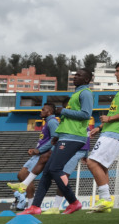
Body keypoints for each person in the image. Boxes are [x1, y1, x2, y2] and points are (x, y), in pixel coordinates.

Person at [21, 68, 94, 215]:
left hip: (74, 137)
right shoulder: (76, 94)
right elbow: (68, 120)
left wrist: (63, 111)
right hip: (65, 136)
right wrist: (58, 135)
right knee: (47, 171)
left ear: (86, 80)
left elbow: (86, 115)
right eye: (75, 75)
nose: (75, 77)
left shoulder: (86, 93)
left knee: (55, 169)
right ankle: (35, 207)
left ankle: (73, 201)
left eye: (79, 75)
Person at [86, 60, 119, 213]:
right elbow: (116, 112)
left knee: (92, 162)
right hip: (110, 131)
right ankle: (105, 202)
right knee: (101, 165)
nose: (115, 74)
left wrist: (109, 119)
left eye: (117, 71)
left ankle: (105, 199)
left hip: (116, 132)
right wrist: (99, 127)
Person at [7, 103, 59, 210]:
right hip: (38, 154)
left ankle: (30, 204)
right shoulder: (48, 122)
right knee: (22, 175)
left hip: (43, 154)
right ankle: (28, 203)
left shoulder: (52, 122)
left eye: (43, 109)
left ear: (49, 112)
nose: (41, 111)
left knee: (24, 175)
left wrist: (40, 150)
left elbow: (55, 138)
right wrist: (35, 149)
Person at [41, 118, 94, 214]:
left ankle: (57, 207)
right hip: (73, 150)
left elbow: (87, 140)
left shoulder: (80, 124)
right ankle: (62, 205)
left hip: (78, 152)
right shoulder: (79, 125)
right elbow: (87, 140)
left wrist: (85, 154)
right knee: (61, 176)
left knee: (63, 176)